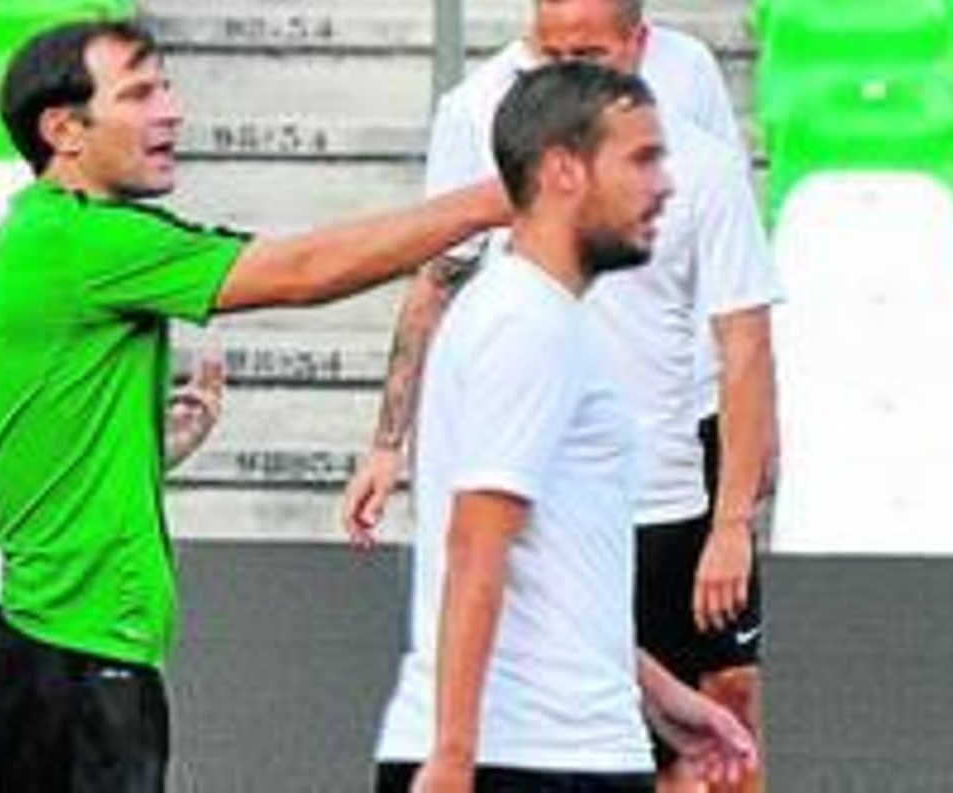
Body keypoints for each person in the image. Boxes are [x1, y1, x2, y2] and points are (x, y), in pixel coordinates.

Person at [0, 18, 511, 793]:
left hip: (30, 655)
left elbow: (3, 458)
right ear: (64, 130)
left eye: (166, 86)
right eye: (139, 93)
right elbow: (299, 271)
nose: (170, 110)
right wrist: (488, 199)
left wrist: (146, 448)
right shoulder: (88, 243)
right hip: (68, 671)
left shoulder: (31, 240)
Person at [344, 2, 778, 791]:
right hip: (527, 757)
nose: (665, 186)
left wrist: (662, 695)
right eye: (641, 162)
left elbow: (559, 573)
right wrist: (452, 756)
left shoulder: (551, 318)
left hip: (569, 744)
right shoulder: (524, 325)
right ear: (564, 170)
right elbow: (480, 546)